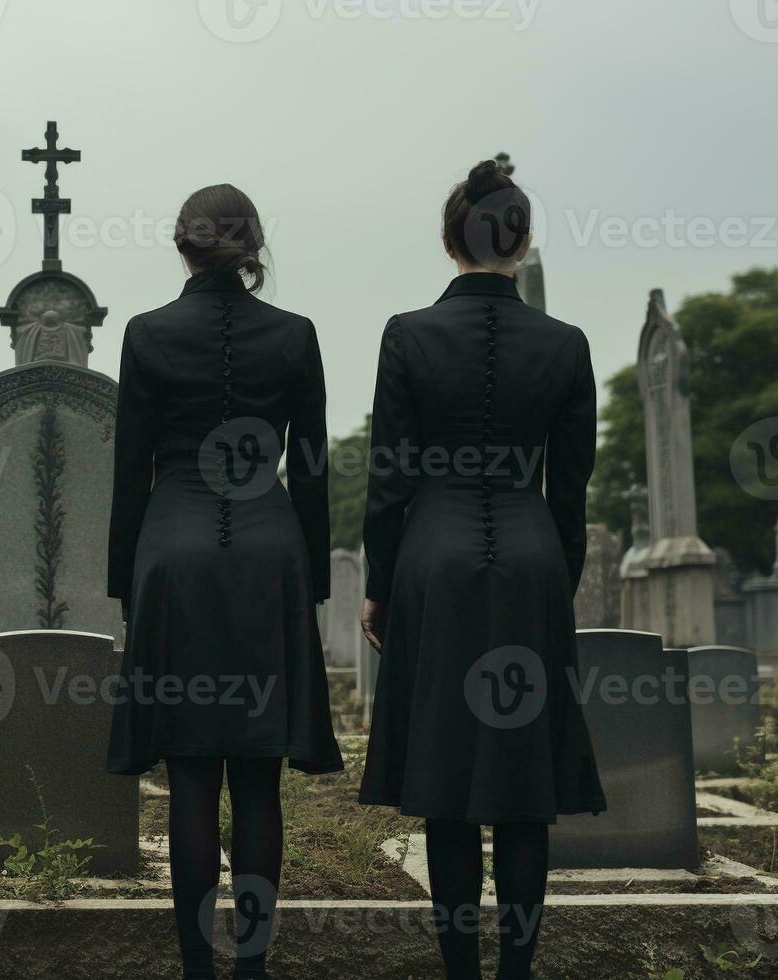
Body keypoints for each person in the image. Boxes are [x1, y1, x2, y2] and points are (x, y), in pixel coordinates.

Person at [357, 160, 607, 980]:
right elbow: (570, 495)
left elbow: (390, 478)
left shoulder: (408, 334)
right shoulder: (566, 345)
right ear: (523, 240)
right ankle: (516, 973)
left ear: (448, 239)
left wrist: (380, 587)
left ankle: (460, 969)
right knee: (524, 784)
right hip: (532, 562)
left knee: (447, 779)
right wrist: (554, 583)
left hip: (433, 561)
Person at [107, 184, 344, 980]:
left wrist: (123, 578)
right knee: (259, 776)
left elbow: (129, 469)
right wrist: (310, 578)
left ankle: (196, 972)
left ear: (183, 245)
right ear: (252, 247)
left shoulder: (147, 334)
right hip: (270, 551)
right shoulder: (296, 335)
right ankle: (251, 969)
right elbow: (310, 470)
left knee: (190, 776)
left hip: (172, 553)